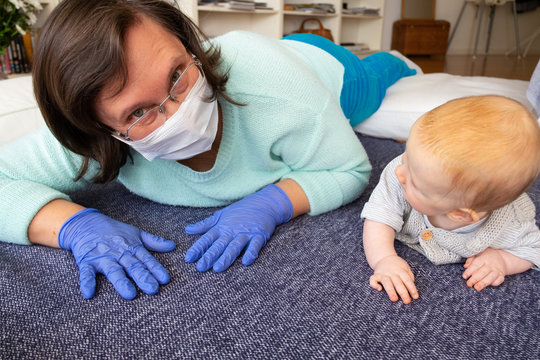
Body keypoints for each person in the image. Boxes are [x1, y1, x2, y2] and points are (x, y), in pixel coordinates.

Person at [0, 0, 416, 300]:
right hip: (279, 57)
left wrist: (272, 203)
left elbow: (348, 169)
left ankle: (394, 58)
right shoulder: (90, 138)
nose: (179, 111)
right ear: (97, 129)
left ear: (190, 45)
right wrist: (74, 226)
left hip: (326, 70)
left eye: (178, 74)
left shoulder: (279, 92)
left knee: (378, 75)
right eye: (140, 111)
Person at [361, 95, 540, 304]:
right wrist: (384, 259)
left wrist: (502, 260)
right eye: (407, 155)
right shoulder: (400, 172)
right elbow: (378, 216)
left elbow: (533, 248)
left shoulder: (512, 223)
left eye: (416, 184)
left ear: (460, 214)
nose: (400, 172)